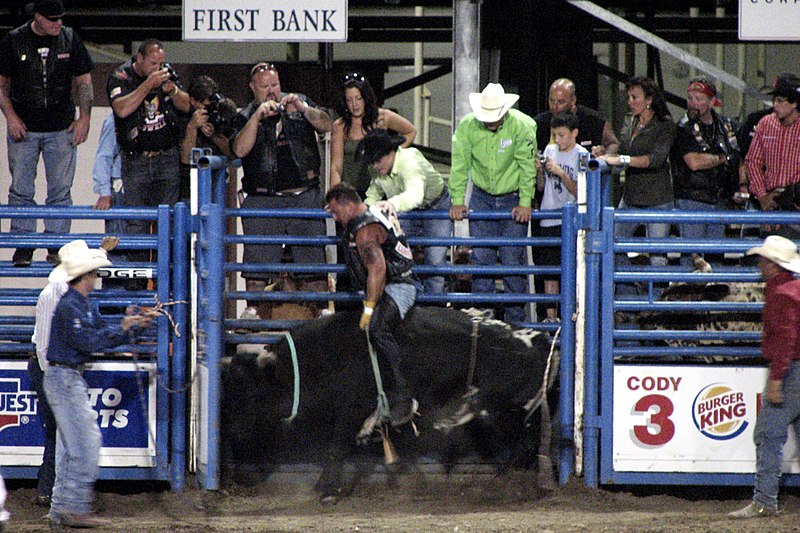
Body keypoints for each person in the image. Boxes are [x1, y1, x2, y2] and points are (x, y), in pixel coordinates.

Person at [44, 244, 154, 529]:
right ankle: (75, 508)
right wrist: (126, 328)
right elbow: (91, 342)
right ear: (88, 275)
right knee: (86, 444)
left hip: (65, 378)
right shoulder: (72, 307)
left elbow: (101, 334)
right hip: (65, 379)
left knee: (71, 448)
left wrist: (133, 325)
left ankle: (61, 510)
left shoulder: (79, 304)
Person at [230, 61, 333, 309]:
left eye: (275, 85)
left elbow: (327, 124)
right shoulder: (244, 115)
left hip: (304, 194)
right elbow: (239, 149)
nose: (271, 91)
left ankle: (319, 315)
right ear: (253, 88)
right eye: (265, 86)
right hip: (263, 197)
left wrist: (303, 108)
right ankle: (252, 317)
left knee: (313, 262)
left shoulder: (299, 104)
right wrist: (256, 117)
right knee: (257, 264)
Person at [0, 0, 94, 267]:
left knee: (61, 189)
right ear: (37, 17)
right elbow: (1, 84)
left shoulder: (70, 39)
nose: (58, 23)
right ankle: (24, 244)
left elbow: (84, 80)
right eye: (52, 19)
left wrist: (84, 118)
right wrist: (10, 117)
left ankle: (57, 244)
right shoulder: (13, 40)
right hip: (24, 127)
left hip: (61, 126)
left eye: (61, 18)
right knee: (20, 188)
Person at [29, 238, 118, 507]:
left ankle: (55, 496)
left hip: (54, 368)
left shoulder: (70, 297)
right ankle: (53, 493)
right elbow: (44, 344)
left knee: (62, 434)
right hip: (50, 368)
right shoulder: (54, 297)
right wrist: (51, 379)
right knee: (62, 434)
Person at [325, 183, 419, 426]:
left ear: (348, 205)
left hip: (397, 286)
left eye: (336, 211)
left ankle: (403, 397)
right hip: (387, 285)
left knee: (376, 328)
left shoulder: (365, 229)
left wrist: (368, 307)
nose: (335, 218)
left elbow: (378, 269)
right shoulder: (373, 212)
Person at [449, 83, 537, 323]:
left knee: (511, 259)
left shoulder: (523, 126)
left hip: (512, 197)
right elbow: (459, 166)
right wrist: (457, 200)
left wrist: (526, 201)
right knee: (482, 259)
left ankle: (515, 320)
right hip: (482, 196)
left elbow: (527, 166)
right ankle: (484, 316)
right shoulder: (467, 127)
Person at [727, 235, 800, 519]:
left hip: (791, 369)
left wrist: (775, 379)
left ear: (772, 264)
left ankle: (764, 500)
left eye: (763, 260)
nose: (760, 264)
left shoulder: (781, 294)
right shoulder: (793, 289)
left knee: (768, 434)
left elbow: (785, 338)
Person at [107, 38, 191, 282]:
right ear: (139, 59)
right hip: (136, 162)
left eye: (161, 63)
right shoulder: (120, 77)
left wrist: (172, 90)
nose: (159, 67)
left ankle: (170, 282)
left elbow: (188, 105)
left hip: (167, 159)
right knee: (137, 225)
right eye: (153, 63)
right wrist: (147, 85)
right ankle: (137, 285)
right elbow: (121, 109)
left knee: (171, 223)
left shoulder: (167, 75)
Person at [358, 128, 451, 294]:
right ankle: (411, 299)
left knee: (435, 260)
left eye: (377, 160)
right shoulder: (380, 169)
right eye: (372, 162)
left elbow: (415, 195)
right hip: (407, 207)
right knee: (399, 255)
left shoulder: (410, 161)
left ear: (391, 152)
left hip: (436, 205)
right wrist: (362, 212)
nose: (375, 165)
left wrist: (390, 203)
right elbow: (374, 192)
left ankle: (434, 306)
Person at [600, 76, 676, 270]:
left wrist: (623, 160)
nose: (630, 102)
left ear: (649, 100)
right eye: (629, 97)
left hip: (657, 197)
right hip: (632, 195)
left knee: (658, 256)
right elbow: (622, 149)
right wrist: (606, 153)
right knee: (613, 244)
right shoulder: (630, 121)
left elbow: (656, 159)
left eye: (634, 97)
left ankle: (657, 298)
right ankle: (627, 291)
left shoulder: (664, 125)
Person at [671, 78, 740, 267]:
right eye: (690, 98)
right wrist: (722, 158)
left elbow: (738, 157)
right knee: (692, 256)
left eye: (699, 99)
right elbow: (694, 162)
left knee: (715, 255)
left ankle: (712, 294)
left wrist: (739, 186)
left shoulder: (726, 126)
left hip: (719, 199)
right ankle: (688, 294)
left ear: (712, 101)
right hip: (692, 199)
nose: (693, 103)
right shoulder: (683, 127)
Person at [330, 72, 416, 198]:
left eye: (358, 98)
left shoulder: (382, 117)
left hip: (381, 189)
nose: (354, 104)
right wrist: (335, 197)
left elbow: (411, 131)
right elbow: (336, 167)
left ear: (365, 97)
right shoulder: (340, 126)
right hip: (351, 193)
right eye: (349, 100)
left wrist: (392, 156)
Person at [537, 112, 587, 322]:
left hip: (572, 219)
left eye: (562, 135)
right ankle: (551, 316)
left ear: (574, 133)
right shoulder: (549, 150)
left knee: (574, 267)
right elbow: (541, 186)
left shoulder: (582, 155)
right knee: (550, 269)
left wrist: (561, 173)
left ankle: (574, 313)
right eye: (554, 135)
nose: (557, 140)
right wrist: (538, 170)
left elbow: (581, 192)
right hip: (549, 216)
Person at [745, 73, 800, 239]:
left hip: (796, 204)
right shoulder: (765, 123)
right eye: (775, 100)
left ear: (794, 103)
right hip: (768, 202)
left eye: (780, 101)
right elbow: (753, 161)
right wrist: (762, 196)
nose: (775, 105)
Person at [179, 74, 235, 201]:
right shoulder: (183, 119)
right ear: (193, 101)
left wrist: (214, 135)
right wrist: (192, 127)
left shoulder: (221, 114)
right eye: (205, 106)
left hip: (217, 184)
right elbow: (186, 159)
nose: (209, 110)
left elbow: (233, 153)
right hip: (189, 186)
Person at [534, 78, 619, 158]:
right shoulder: (538, 124)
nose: (554, 106)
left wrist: (604, 155)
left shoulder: (594, 120)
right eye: (551, 101)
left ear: (573, 100)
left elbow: (613, 144)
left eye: (561, 102)